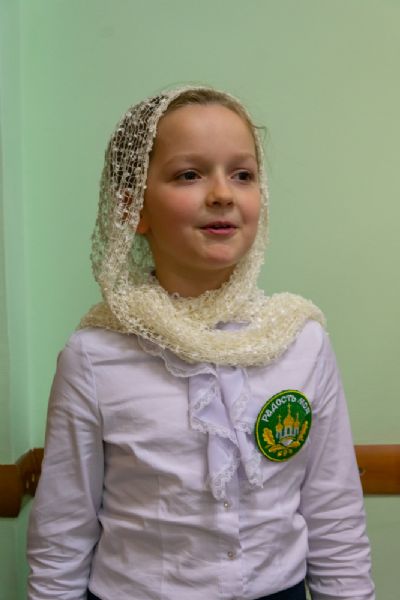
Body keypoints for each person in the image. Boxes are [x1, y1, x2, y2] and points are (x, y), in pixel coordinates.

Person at [27, 85, 375, 600]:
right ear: (133, 208)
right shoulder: (95, 356)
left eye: (243, 174)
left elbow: (334, 512)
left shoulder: (302, 340)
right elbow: (62, 532)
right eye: (189, 174)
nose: (222, 194)